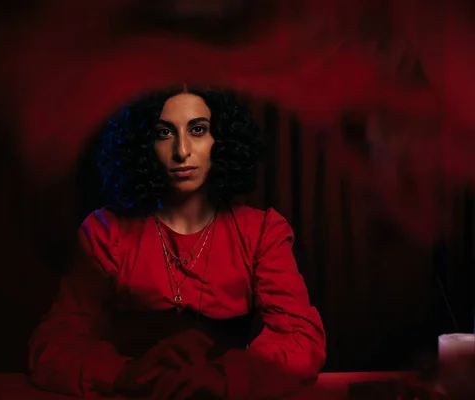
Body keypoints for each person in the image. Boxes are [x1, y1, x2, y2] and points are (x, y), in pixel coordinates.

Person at [28, 86, 326, 399]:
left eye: (198, 130)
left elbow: (301, 337)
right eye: (164, 132)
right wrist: (123, 373)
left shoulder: (260, 232)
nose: (181, 150)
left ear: (221, 140)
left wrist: (226, 377)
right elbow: (54, 344)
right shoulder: (106, 232)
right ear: (144, 143)